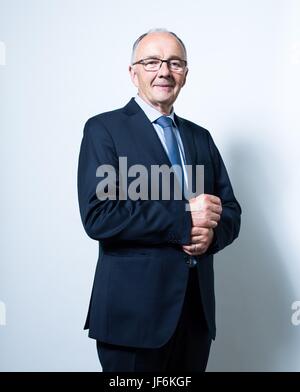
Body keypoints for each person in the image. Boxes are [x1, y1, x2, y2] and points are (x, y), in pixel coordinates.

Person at [77, 28, 241, 372]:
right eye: (151, 61)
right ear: (132, 72)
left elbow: (230, 211)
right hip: (132, 319)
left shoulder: (199, 137)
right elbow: (100, 215)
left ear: (185, 73)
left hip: (194, 316)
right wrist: (184, 219)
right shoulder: (104, 130)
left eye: (175, 63)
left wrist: (211, 235)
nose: (164, 71)